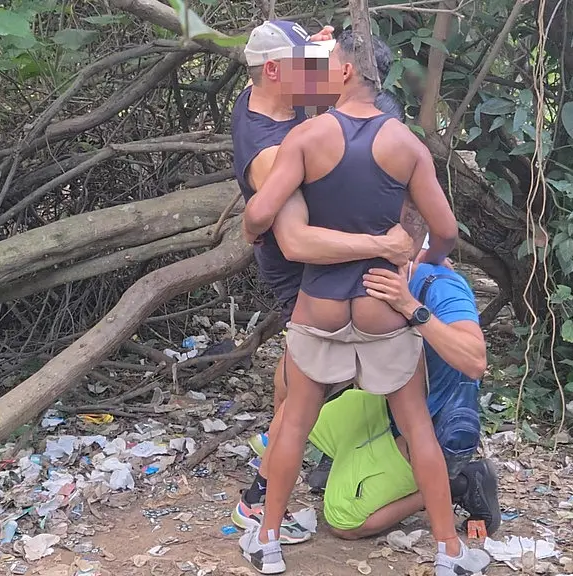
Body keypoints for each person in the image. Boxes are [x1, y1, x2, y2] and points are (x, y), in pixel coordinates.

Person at [240, 32, 489, 575]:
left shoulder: (307, 138)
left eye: (329, 62)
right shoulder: (406, 144)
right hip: (382, 303)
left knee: (295, 422)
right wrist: (421, 262)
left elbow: (260, 213)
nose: (321, 72)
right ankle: (449, 552)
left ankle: (267, 542)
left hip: (320, 304)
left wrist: (253, 228)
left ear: (348, 71)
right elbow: (446, 230)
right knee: (417, 426)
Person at [230, 20, 415, 548]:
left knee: (294, 382)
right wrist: (383, 244)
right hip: (308, 268)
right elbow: (297, 242)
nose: (322, 74)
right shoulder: (270, 153)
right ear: (274, 71)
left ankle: (271, 470)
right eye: (308, 66)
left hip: (327, 262)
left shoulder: (269, 96)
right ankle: (260, 499)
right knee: (306, 386)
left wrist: (320, 47)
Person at [241, 255, 500, 540]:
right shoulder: (356, 280)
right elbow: (289, 382)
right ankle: (262, 496)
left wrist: (411, 307)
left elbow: (475, 362)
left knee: (343, 519)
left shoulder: (437, 285)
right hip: (383, 405)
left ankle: (458, 484)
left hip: (432, 425)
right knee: (295, 415)